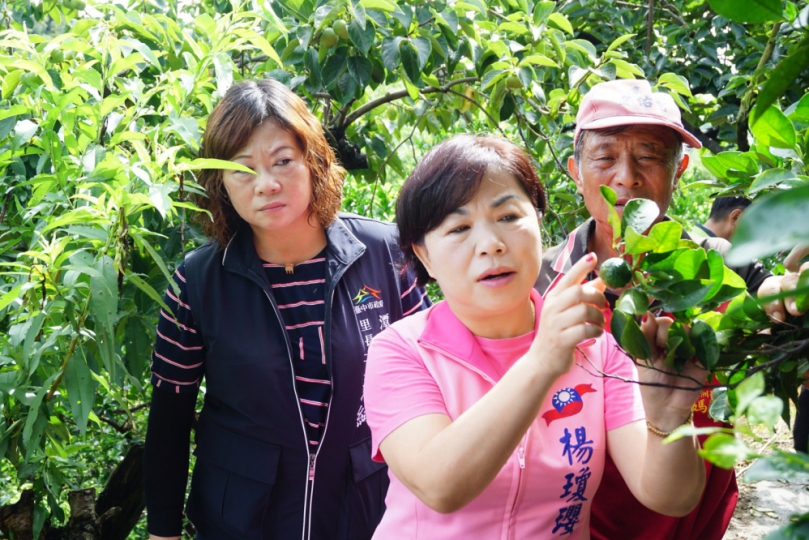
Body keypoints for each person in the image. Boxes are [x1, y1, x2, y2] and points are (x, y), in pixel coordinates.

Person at [363, 134, 707, 539]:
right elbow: (439, 485)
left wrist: (668, 420)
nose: (491, 245)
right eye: (459, 228)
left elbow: (670, 498)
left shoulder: (596, 348)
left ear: (539, 223)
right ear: (425, 257)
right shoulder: (401, 350)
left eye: (509, 217)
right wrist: (542, 361)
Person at [142, 79, 430, 540]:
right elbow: (169, 421)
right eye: (243, 170)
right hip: (240, 519)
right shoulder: (197, 282)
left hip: (365, 511)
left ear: (313, 160)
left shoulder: (385, 255)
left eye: (282, 161)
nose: (267, 185)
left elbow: (436, 379)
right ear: (220, 183)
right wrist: (163, 533)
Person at [535, 79, 807, 540]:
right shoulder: (542, 283)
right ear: (576, 171)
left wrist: (788, 301)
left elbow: (769, 303)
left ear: (678, 169)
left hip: (696, 521)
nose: (626, 177)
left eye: (648, 156)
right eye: (605, 157)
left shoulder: (721, 263)